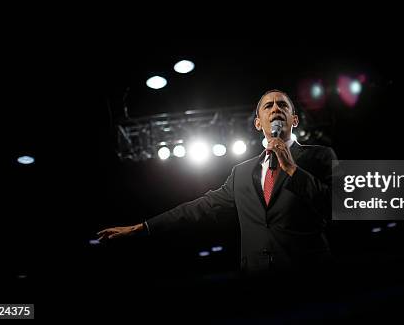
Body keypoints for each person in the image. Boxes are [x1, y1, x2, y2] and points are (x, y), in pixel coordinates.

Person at [97, 89, 338, 273]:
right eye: (268, 106)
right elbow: (197, 209)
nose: (275, 108)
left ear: (294, 120)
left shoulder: (320, 156)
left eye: (282, 104)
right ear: (257, 123)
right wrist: (143, 227)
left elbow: (337, 204)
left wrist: (292, 169)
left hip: (309, 274)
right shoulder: (241, 173)